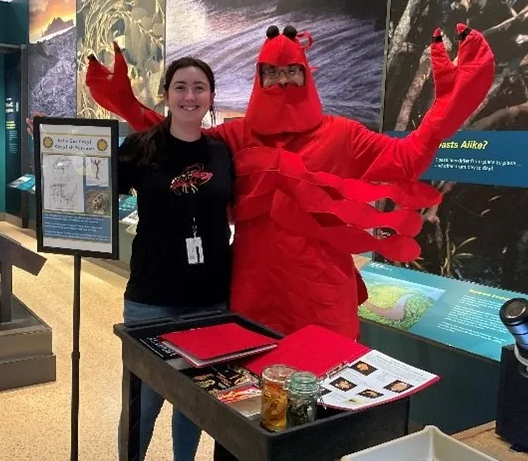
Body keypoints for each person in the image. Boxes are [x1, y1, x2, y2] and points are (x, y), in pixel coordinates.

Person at [86, 24, 494, 341]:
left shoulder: (342, 135)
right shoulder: (237, 135)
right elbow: (176, 140)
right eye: (272, 73)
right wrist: (127, 105)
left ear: (306, 73)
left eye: (291, 72)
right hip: (252, 292)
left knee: (319, 411)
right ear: (258, 77)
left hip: (321, 295)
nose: (282, 82)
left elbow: (406, 159)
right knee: (241, 409)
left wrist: (447, 108)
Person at [29, 56, 234, 461]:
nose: (189, 96)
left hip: (209, 300)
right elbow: (94, 188)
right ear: (165, 95)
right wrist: (59, 153)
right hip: (149, 297)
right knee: (142, 402)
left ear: (210, 97)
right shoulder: (142, 147)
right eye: (180, 87)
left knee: (193, 402)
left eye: (199, 88)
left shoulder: (223, 153)